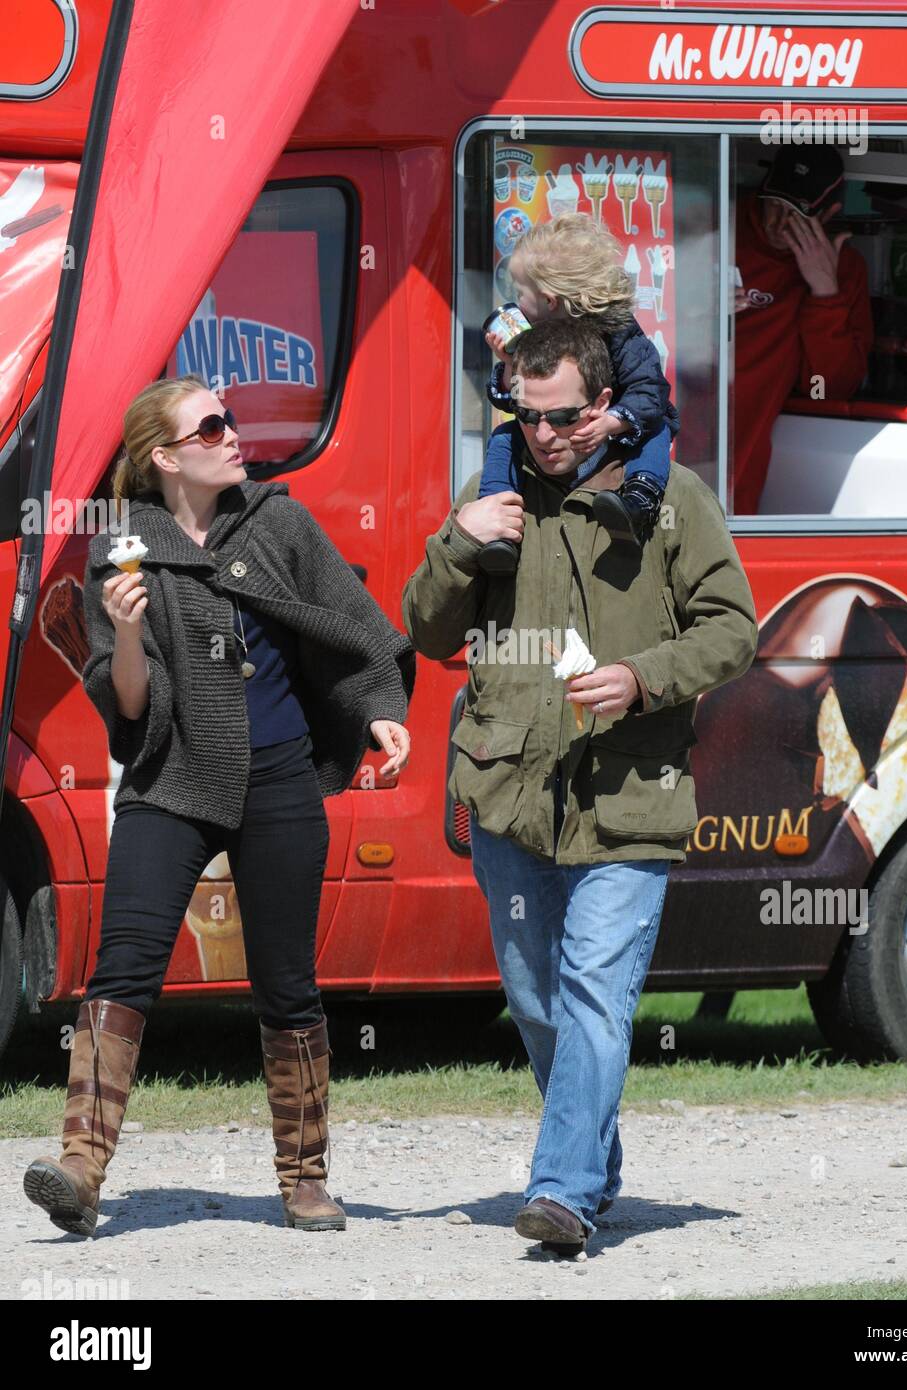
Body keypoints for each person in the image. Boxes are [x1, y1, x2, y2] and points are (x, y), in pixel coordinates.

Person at [23, 374, 414, 1238]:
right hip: (174, 778)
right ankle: (81, 1168)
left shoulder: (276, 520)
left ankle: (305, 1177)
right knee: (123, 969)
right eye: (211, 426)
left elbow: (356, 626)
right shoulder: (124, 547)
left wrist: (381, 710)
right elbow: (128, 707)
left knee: (287, 984)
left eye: (230, 420)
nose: (232, 434)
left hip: (277, 779)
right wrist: (126, 632)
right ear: (165, 456)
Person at [402, 318, 757, 1253]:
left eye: (563, 417)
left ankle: (560, 1188)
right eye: (526, 417)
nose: (544, 435)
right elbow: (429, 635)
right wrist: (454, 541)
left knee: (596, 992)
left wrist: (643, 678)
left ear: (604, 406)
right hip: (507, 799)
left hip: (629, 799)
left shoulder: (672, 496)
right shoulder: (493, 502)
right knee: (535, 1002)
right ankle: (591, 1159)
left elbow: (732, 631)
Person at [479, 212, 678, 572]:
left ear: (550, 301)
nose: (516, 303)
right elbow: (513, 401)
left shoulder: (619, 332)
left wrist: (612, 422)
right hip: (565, 434)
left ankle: (638, 502)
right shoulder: (533, 335)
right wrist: (509, 363)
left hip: (617, 429)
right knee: (505, 436)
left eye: (520, 293)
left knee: (656, 432)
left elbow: (651, 391)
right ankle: (495, 518)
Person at [733, 145, 873, 514]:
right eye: (774, 204)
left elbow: (827, 390)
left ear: (829, 214)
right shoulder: (717, 227)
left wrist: (825, 293)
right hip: (678, 431)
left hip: (744, 465)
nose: (778, 222)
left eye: (797, 214)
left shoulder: (843, 269)